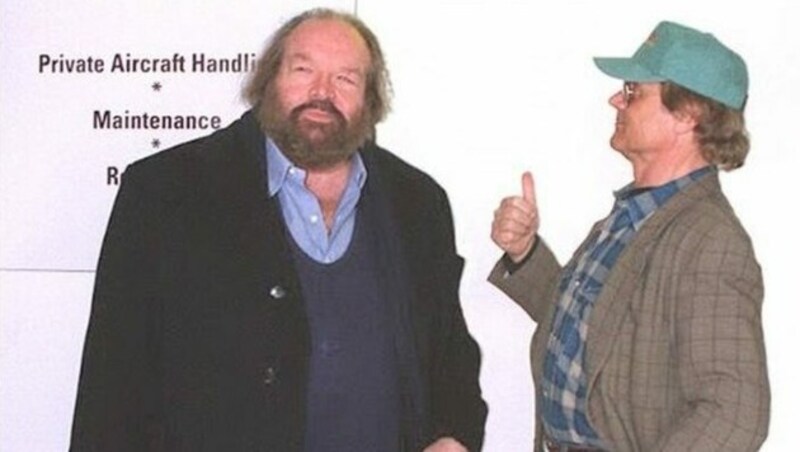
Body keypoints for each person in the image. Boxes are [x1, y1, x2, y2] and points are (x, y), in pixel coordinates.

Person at [71, 8, 486, 451]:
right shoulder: (164, 193)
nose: (322, 92)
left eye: (346, 78)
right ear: (268, 80)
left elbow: (449, 355)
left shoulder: (418, 203)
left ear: (370, 99)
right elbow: (112, 381)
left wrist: (453, 435)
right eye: (303, 69)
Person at [488, 21, 769, 451]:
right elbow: (596, 331)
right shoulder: (633, 216)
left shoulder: (709, 241)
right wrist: (525, 253)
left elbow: (734, 414)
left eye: (634, 90)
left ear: (687, 114)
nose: (616, 98)